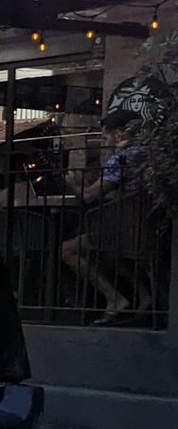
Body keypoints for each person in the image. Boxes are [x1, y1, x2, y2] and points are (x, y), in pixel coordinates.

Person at [59, 108, 152, 324]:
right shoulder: (149, 155)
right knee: (112, 257)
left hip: (122, 230)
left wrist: (74, 184)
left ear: (119, 135)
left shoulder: (121, 159)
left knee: (67, 250)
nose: (104, 141)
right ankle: (146, 298)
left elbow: (91, 196)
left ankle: (114, 299)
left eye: (105, 135)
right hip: (144, 228)